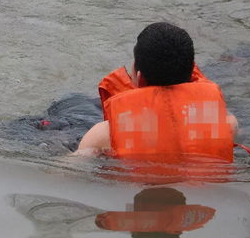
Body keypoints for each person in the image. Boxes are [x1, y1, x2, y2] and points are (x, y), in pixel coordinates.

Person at [75, 22, 239, 161]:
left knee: (73, 101)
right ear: (192, 75)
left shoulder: (104, 134)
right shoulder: (227, 124)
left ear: (139, 78)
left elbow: (67, 172)